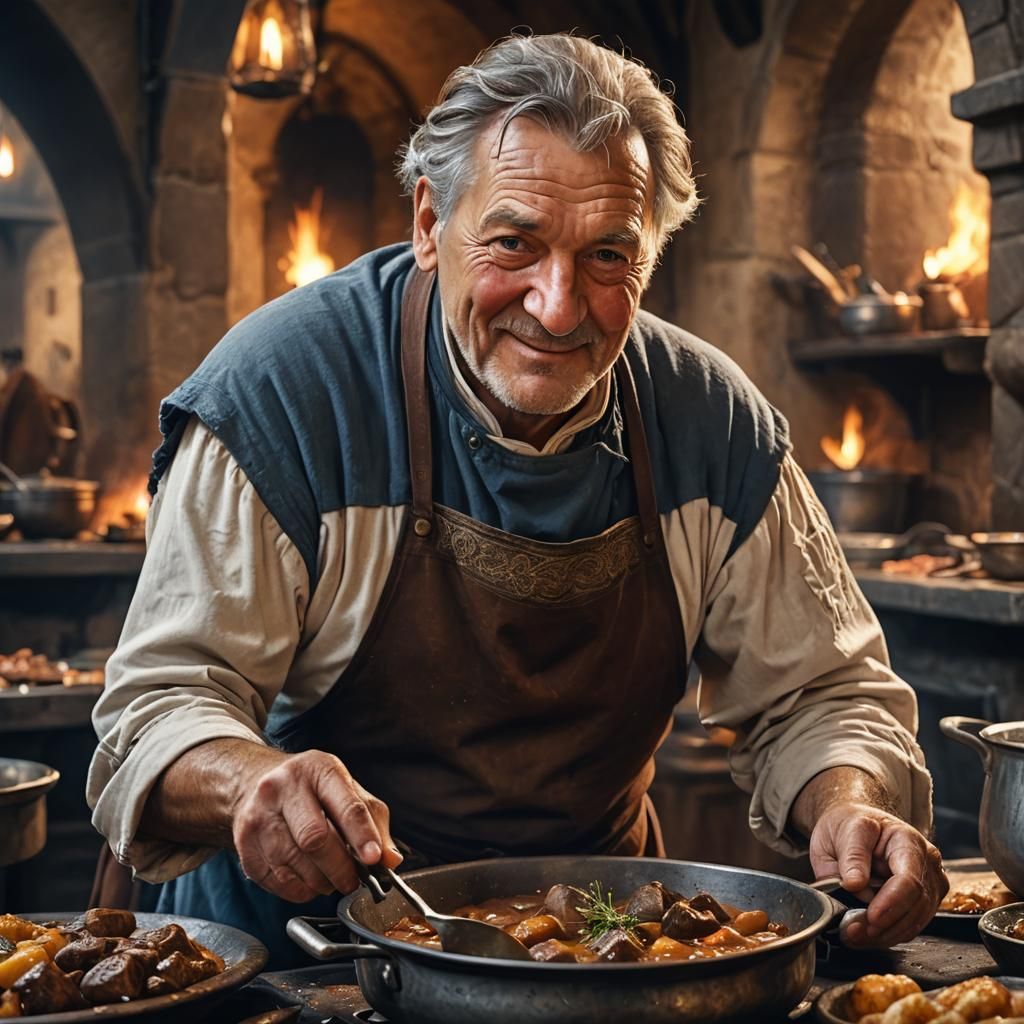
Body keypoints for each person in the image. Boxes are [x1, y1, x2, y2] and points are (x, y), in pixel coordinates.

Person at [88, 33, 946, 967]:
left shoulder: (715, 423)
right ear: (428, 223)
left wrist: (850, 800)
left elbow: (820, 693)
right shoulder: (286, 393)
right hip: (298, 953)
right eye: (514, 243)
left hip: (607, 955)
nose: (556, 304)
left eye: (609, 256)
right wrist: (250, 781)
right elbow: (161, 706)